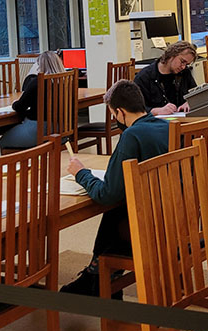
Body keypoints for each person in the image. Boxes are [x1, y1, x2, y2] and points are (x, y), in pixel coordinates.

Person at [60, 80, 169, 296]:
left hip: (151, 226)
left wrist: (81, 173)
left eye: (113, 114)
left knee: (115, 209)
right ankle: (98, 275)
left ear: (119, 112)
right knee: (119, 211)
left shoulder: (131, 136)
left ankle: (98, 276)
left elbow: (107, 194)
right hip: (173, 214)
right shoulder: (165, 126)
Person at [0, 50, 67, 150]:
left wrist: (14, 104)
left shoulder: (37, 82)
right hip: (61, 131)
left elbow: (20, 106)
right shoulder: (65, 82)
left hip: (38, 131)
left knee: (3, 141)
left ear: (40, 64)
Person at [134, 41, 197, 116]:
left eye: (186, 64)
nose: (183, 67)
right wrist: (156, 111)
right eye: (182, 61)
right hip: (156, 123)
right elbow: (135, 110)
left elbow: (195, 93)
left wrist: (190, 103)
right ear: (172, 55)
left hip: (181, 120)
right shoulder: (144, 77)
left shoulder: (185, 72)